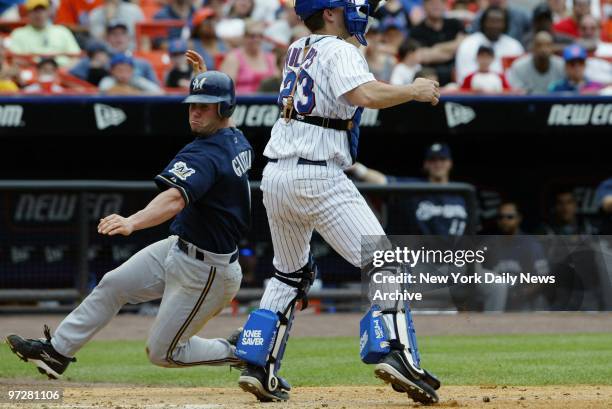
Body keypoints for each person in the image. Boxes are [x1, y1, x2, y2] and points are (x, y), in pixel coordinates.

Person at [234, 0, 441, 404]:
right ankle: (395, 353)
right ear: (328, 13)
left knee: (288, 274)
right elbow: (364, 93)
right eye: (344, 7)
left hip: (276, 175)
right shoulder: (340, 49)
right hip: (317, 173)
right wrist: (413, 90)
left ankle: (258, 365)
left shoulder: (297, 46)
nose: (354, 11)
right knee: (384, 261)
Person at [6, 62, 254, 381]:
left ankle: (240, 352)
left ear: (225, 108)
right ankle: (56, 353)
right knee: (113, 285)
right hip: (179, 249)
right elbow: (221, 121)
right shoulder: (235, 137)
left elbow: (174, 198)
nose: (195, 112)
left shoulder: (205, 154)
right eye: (193, 105)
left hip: (208, 270)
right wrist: (208, 81)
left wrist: (132, 221)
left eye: (205, 107)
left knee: (162, 353)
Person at [455, 6, 524, 83]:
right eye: (491, 21)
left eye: (499, 21)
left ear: (505, 24)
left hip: (507, 93)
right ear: (483, 23)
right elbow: (463, 77)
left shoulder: (514, 46)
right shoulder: (468, 44)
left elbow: (519, 78)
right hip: (475, 92)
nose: (495, 25)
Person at [8, 0, 81, 67]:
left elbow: (76, 57)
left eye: (42, 10)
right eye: (35, 10)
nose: (39, 14)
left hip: (63, 73)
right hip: (31, 74)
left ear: (48, 11)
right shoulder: (18, 33)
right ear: (28, 13)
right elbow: (15, 59)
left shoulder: (62, 31)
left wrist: (64, 71)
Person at [410, 0, 465, 85]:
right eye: (432, 3)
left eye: (439, 3)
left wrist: (436, 48)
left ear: (445, 6)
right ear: (424, 6)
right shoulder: (416, 30)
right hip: (428, 78)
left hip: (455, 76)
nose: (436, 6)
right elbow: (421, 56)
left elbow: (463, 44)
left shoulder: (455, 24)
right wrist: (452, 49)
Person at [220, 20, 278, 94]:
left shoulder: (270, 58)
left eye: (260, 36)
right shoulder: (233, 58)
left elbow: (278, 83)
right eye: (252, 36)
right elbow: (226, 88)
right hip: (242, 103)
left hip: (269, 103)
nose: (256, 39)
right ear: (244, 37)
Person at [98, 53, 163, 95]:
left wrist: (135, 92)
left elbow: (159, 92)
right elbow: (104, 91)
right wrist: (129, 91)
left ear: (132, 71)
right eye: (119, 70)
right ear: (112, 71)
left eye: (127, 70)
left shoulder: (136, 80)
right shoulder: (107, 80)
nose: (124, 74)